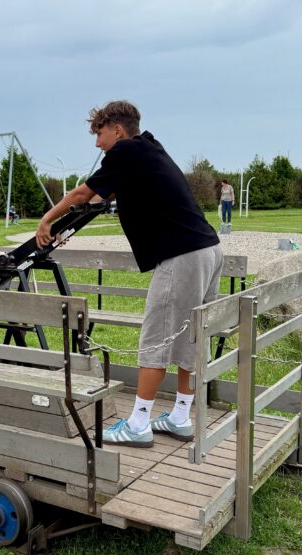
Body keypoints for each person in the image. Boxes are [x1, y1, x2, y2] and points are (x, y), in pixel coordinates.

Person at [35, 100, 222, 448]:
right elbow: (103, 196)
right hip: (208, 250)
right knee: (192, 337)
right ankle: (180, 417)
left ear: (117, 130)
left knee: (157, 337)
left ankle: (138, 424)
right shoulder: (149, 147)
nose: (98, 144)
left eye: (100, 134)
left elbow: (83, 193)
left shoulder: (123, 153)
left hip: (181, 255)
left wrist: (47, 220)